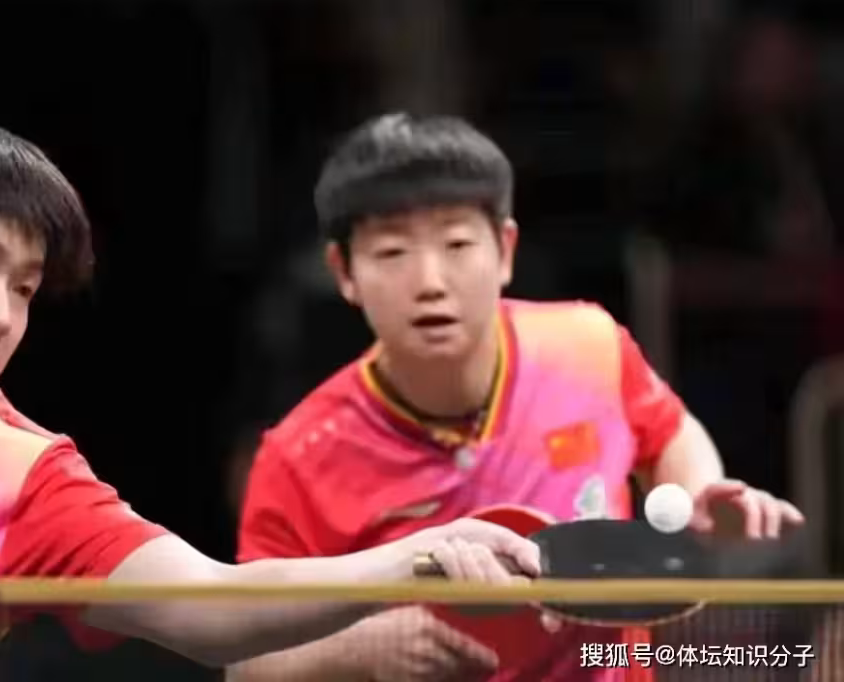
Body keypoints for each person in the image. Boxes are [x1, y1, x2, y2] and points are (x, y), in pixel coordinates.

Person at [0, 111, 541, 681]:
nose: (0, 316)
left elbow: (210, 605)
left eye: (24, 288)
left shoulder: (14, 479)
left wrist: (408, 559)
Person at [227, 113, 805, 682]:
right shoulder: (298, 457)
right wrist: (359, 651)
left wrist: (696, 491)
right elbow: (248, 663)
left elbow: (671, 433)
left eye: (457, 244)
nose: (430, 282)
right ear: (344, 272)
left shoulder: (587, 345)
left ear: (504, 251)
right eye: (393, 253)